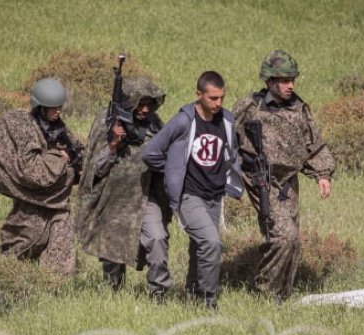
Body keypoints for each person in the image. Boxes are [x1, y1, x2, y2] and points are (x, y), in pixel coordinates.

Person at [232, 49, 335, 302]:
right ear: (270, 81)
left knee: (293, 241)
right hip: (261, 180)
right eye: (285, 81)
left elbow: (313, 143)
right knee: (283, 236)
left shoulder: (299, 108)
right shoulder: (250, 107)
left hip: (288, 183)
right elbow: (226, 137)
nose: (291, 86)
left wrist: (322, 174)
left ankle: (282, 296)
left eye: (293, 80)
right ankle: (265, 294)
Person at [142, 71, 243, 310]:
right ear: (199, 95)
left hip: (215, 196)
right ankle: (209, 300)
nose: (218, 103)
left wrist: (232, 183)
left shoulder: (227, 121)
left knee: (200, 246)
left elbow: (233, 153)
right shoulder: (183, 121)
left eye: (221, 97)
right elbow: (151, 152)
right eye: (212, 98)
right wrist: (172, 171)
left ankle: (194, 293)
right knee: (211, 243)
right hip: (189, 196)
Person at [76, 77, 171, 301]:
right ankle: (113, 295)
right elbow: (94, 170)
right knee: (112, 251)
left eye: (149, 104)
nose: (145, 109)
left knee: (157, 239)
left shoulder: (155, 125)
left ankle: (158, 294)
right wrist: (113, 146)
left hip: (144, 197)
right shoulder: (106, 123)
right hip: (113, 198)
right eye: (140, 104)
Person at [0, 77, 81, 275]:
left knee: (62, 243)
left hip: (57, 201)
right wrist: (60, 159)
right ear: (41, 107)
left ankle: (55, 284)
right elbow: (32, 172)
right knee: (24, 242)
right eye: (53, 108)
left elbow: (77, 150)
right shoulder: (26, 128)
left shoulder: (58, 128)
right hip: (33, 199)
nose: (58, 111)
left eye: (59, 107)